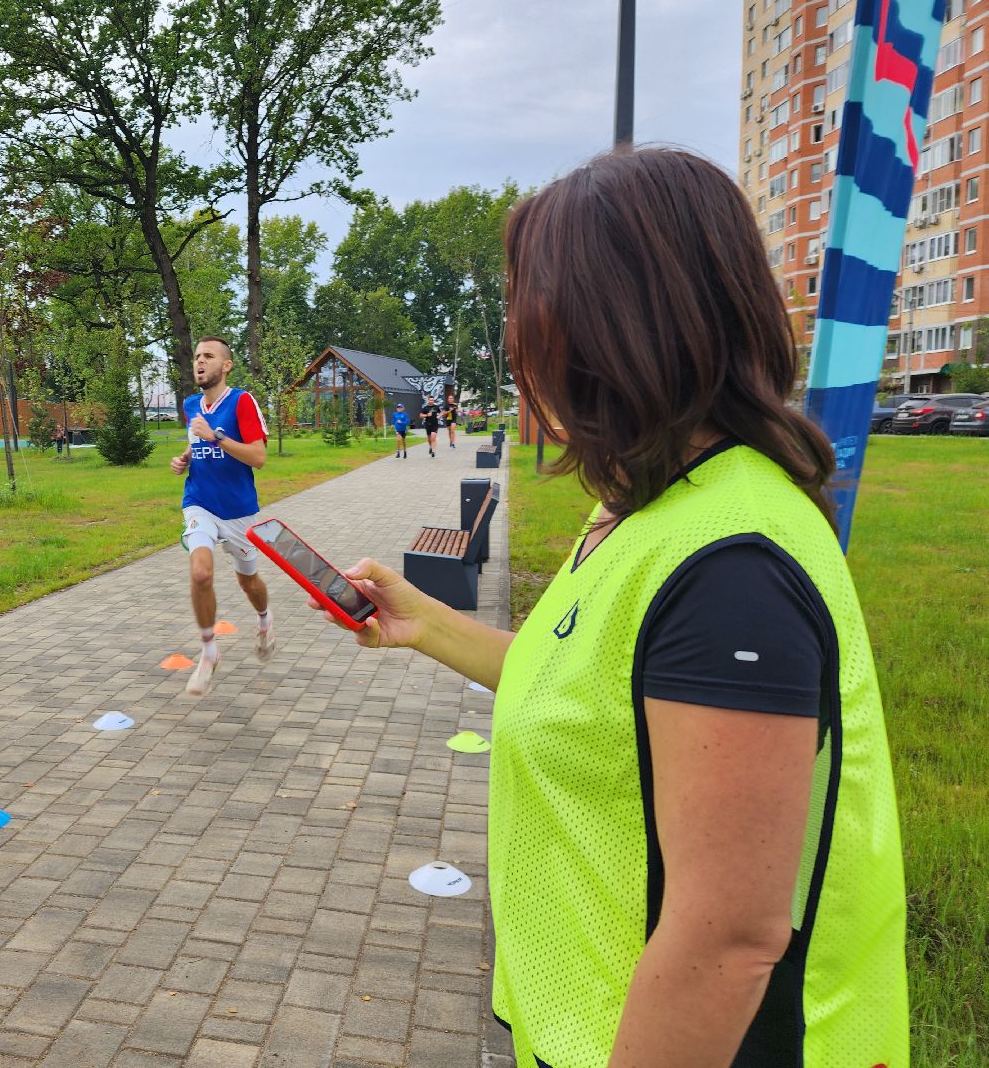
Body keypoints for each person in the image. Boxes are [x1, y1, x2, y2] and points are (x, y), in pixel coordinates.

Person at [317, 149, 906, 1067]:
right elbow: (588, 686)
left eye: (531, 305)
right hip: (587, 1011)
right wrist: (420, 621)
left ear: (611, 327)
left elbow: (728, 942)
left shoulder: (730, 567)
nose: (516, 337)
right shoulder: (654, 503)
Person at [170, 336, 275, 695]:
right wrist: (185, 457)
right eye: (197, 355)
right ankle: (209, 652)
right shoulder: (190, 405)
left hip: (239, 512)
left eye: (208, 356)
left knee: (250, 582)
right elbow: (195, 438)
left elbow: (258, 457)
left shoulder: (242, 402)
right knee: (201, 572)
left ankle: (264, 620)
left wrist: (215, 438)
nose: (200, 361)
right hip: (199, 502)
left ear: (226, 365)